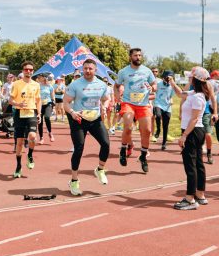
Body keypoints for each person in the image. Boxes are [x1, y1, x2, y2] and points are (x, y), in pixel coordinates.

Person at [63, 59, 112, 195]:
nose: (88, 71)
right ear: (82, 69)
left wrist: (105, 106)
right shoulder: (76, 84)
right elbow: (66, 103)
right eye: (85, 68)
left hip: (95, 119)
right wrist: (72, 112)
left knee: (106, 144)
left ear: (95, 70)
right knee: (79, 149)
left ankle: (100, 169)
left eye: (90, 68)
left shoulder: (101, 85)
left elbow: (106, 98)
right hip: (79, 120)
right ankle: (74, 181)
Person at [171, 67, 212, 209]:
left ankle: (189, 199)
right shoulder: (193, 93)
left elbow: (194, 119)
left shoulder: (197, 97)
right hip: (195, 131)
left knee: (191, 165)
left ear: (195, 80)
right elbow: (179, 93)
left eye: (190, 77)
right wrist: (171, 81)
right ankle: (200, 195)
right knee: (199, 163)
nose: (188, 79)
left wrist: (184, 136)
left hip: (193, 131)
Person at [115, 48, 157, 173]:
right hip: (128, 103)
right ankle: (123, 150)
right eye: (135, 55)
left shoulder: (147, 71)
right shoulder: (123, 71)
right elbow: (116, 86)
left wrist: (152, 88)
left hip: (143, 104)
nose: (138, 57)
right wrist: (117, 96)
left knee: (148, 130)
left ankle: (143, 156)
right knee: (128, 127)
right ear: (130, 57)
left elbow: (154, 85)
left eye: (139, 55)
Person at [10, 61, 41, 178]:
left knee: (33, 137)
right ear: (23, 71)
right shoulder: (16, 84)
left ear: (33, 71)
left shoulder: (36, 85)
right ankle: (18, 166)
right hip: (19, 113)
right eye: (26, 69)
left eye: (30, 70)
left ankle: (30, 155)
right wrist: (18, 104)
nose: (28, 71)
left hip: (32, 112)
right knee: (19, 142)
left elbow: (38, 100)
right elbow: (10, 100)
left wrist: (39, 113)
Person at [153, 70, 174, 150]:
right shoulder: (158, 84)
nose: (169, 79)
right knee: (158, 115)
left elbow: (171, 96)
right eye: (167, 77)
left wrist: (171, 100)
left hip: (167, 107)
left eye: (170, 78)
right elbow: (153, 91)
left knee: (165, 126)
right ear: (164, 77)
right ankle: (158, 130)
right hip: (158, 104)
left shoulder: (172, 86)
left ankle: (164, 143)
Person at [37, 73, 55, 144]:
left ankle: (50, 133)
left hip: (48, 104)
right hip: (40, 105)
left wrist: (53, 103)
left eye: (43, 77)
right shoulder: (38, 86)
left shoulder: (50, 86)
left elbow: (52, 96)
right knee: (39, 121)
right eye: (40, 77)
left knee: (47, 117)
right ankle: (41, 138)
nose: (42, 79)